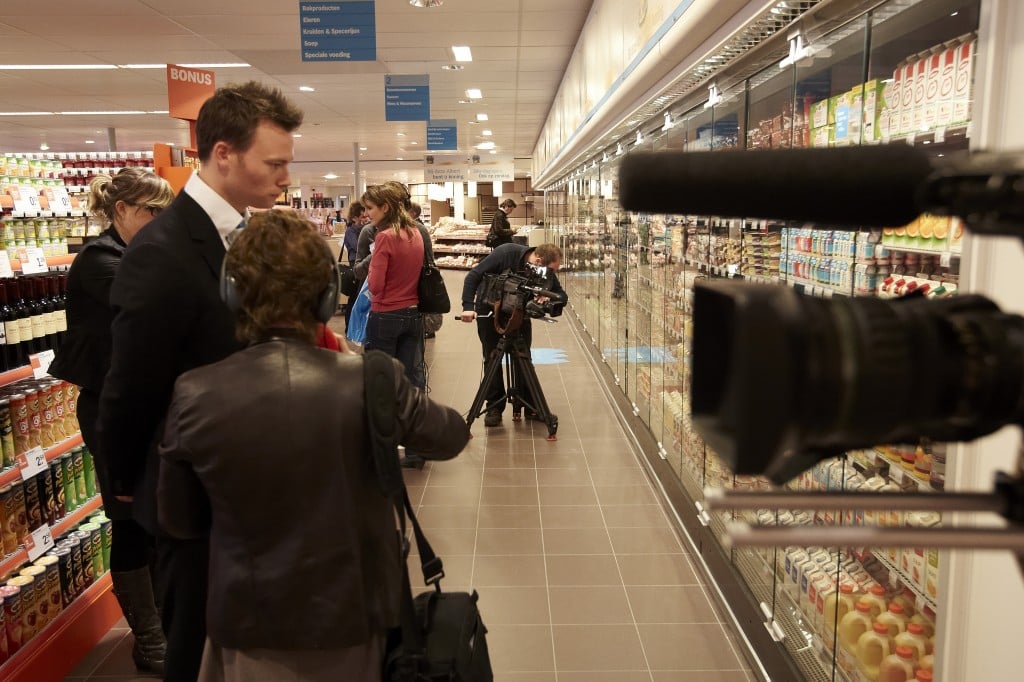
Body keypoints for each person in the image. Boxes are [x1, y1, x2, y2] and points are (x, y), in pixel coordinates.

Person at [156, 210, 469, 682]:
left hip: (247, 622)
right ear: (326, 297)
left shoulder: (195, 392)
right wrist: (371, 374)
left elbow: (179, 520)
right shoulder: (368, 381)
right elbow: (450, 435)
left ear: (232, 294)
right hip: (355, 615)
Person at [98, 80, 303, 681]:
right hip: (187, 492)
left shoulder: (240, 235)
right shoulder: (161, 253)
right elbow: (130, 383)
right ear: (222, 153)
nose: (284, 177)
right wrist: (128, 489)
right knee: (193, 643)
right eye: (275, 163)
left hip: (241, 487)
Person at [49, 168, 174, 674]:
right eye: (152, 211)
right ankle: (149, 639)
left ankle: (165, 621)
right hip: (111, 413)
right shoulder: (100, 261)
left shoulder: (134, 256)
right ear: (121, 210)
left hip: (143, 406)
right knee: (129, 522)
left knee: (158, 516)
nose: (159, 222)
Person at [362, 182, 433, 469]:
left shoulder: (384, 238)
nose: (367, 214)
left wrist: (371, 270)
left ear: (386, 207)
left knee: (379, 384)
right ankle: (416, 448)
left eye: (370, 208)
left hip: (385, 315)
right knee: (412, 383)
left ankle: (381, 451)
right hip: (412, 313)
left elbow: (376, 286)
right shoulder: (415, 232)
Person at [460, 243, 566, 427]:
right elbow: (473, 276)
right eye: (552, 270)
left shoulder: (545, 271)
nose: (552, 275)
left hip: (518, 316)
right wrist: (468, 307)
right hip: (489, 311)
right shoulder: (506, 253)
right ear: (539, 261)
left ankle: (531, 406)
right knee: (492, 357)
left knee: (523, 358)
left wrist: (549, 297)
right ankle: (494, 406)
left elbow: (561, 295)